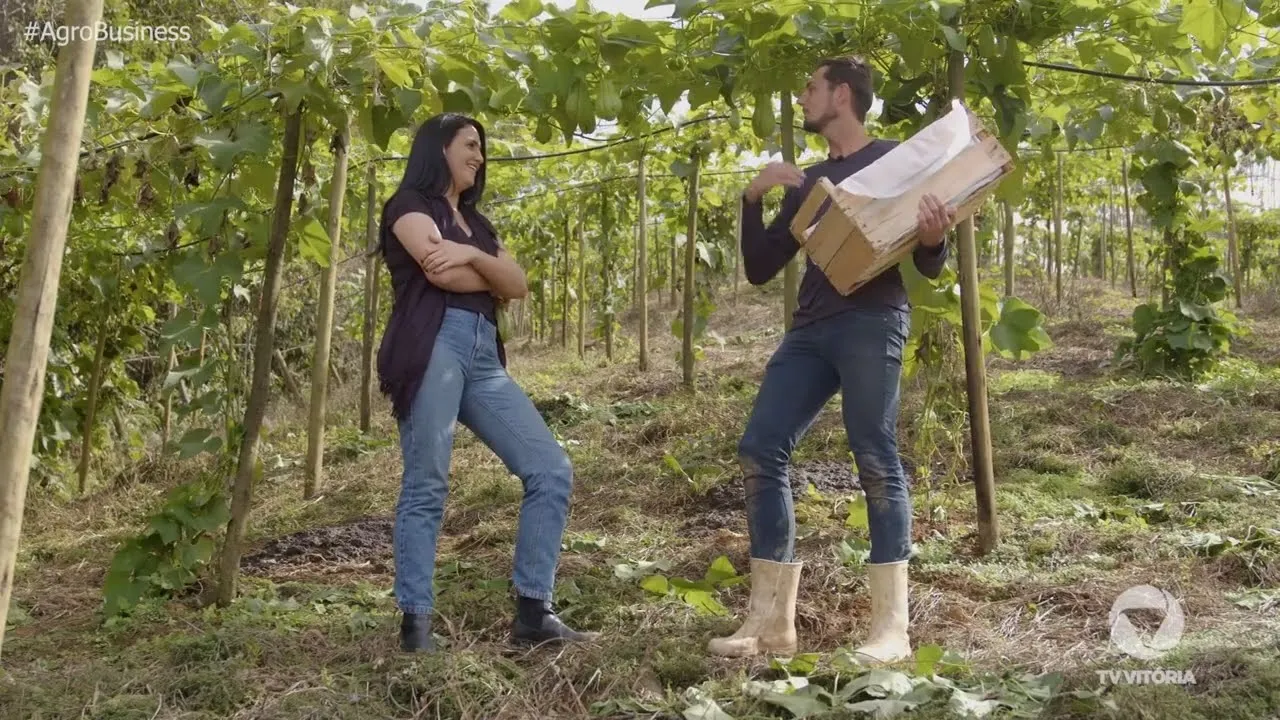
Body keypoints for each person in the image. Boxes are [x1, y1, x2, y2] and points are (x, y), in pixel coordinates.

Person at [707, 56, 955, 662]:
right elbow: (760, 267)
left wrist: (934, 239)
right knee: (761, 446)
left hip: (873, 321)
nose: (802, 97)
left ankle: (891, 630)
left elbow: (927, 262)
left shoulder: (895, 160)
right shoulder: (810, 181)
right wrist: (752, 196)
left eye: (810, 87)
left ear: (841, 95)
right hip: (812, 329)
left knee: (875, 454)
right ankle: (770, 623)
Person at [376, 113, 596, 652]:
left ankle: (533, 614)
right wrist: (486, 276)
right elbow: (439, 272)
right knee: (427, 481)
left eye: (481, 147)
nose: (479, 156)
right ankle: (416, 626)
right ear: (439, 148)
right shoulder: (409, 206)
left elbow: (516, 284)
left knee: (550, 468)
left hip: (482, 352)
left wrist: (473, 253)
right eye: (470, 145)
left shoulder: (476, 224)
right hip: (433, 343)